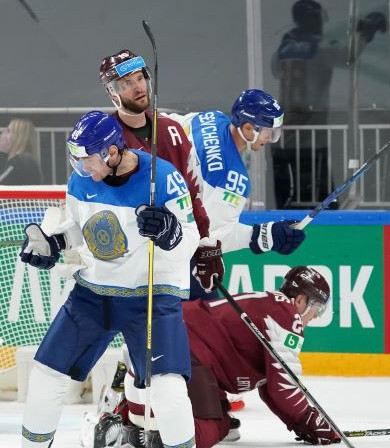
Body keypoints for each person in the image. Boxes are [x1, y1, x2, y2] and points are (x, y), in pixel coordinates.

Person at [19, 111, 200, 448]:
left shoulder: (163, 178)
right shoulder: (81, 181)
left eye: (88, 160)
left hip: (151, 295)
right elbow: (79, 231)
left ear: (113, 152)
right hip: (93, 294)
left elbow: (190, 240)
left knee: (168, 389)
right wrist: (54, 244)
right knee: (45, 376)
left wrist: (170, 232)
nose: (83, 168)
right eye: (78, 160)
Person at [83, 266, 336, 448]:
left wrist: (303, 425)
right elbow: (284, 386)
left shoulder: (271, 304)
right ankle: (161, 439)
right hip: (184, 350)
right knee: (215, 426)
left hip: (158, 336)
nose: (315, 316)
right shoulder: (287, 317)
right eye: (317, 308)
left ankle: (120, 420)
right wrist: (312, 423)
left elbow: (271, 388)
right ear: (301, 299)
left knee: (218, 415)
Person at [99, 49, 222, 293]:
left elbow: (192, 193)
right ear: (112, 93)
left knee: (202, 322)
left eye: (140, 79)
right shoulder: (104, 139)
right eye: (127, 83)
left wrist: (205, 242)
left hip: (180, 247)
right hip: (131, 263)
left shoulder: (172, 130)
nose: (138, 87)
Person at [168, 89, 306, 299]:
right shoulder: (233, 180)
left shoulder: (209, 118)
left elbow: (167, 123)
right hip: (174, 253)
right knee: (204, 319)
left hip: (151, 213)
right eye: (269, 132)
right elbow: (209, 236)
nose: (269, 138)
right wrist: (265, 235)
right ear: (249, 128)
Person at [271, 0, 387, 208]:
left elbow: (275, 70)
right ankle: (328, 214)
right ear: (313, 19)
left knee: (288, 178)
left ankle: (284, 212)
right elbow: (347, 57)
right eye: (318, 18)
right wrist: (364, 33)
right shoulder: (318, 45)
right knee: (316, 175)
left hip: (285, 124)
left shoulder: (284, 46)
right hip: (309, 121)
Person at [0, 118, 43, 185]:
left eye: (8, 131)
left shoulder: (17, 162)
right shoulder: (28, 160)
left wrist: (2, 153)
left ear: (17, 136)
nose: (3, 134)